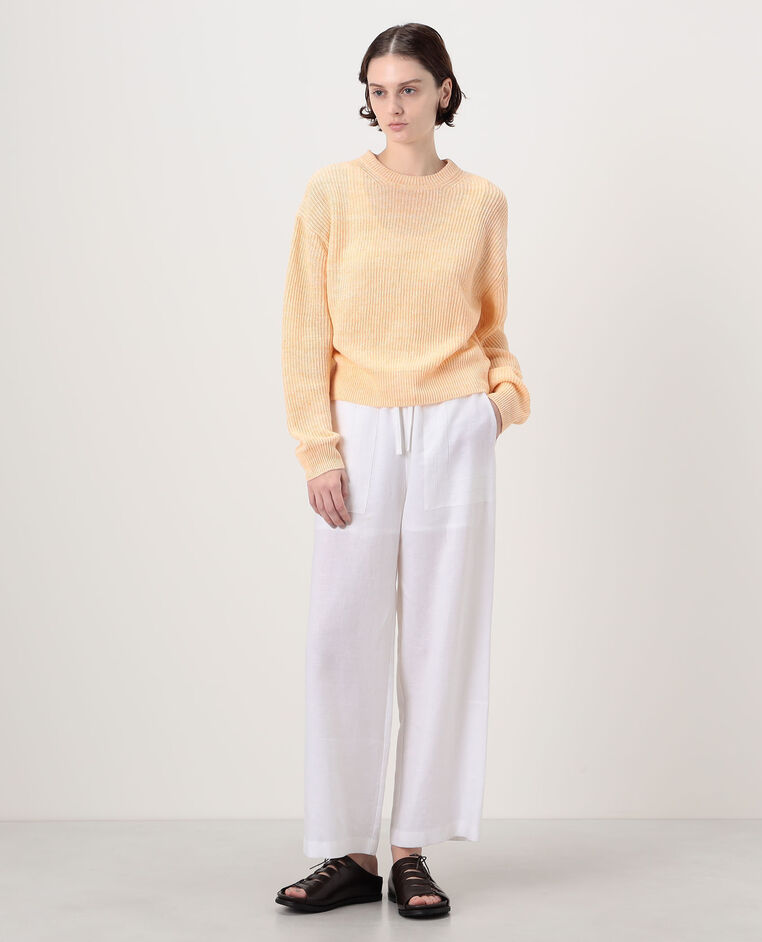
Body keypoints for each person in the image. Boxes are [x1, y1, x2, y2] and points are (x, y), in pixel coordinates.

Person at [275, 23, 530, 920]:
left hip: (454, 426)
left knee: (438, 640)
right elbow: (305, 329)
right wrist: (317, 446)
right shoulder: (332, 193)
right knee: (339, 638)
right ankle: (346, 852)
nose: (392, 107)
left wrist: (497, 404)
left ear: (443, 93)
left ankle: (410, 850)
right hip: (360, 426)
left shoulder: (481, 202)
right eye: (379, 91)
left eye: (410, 89)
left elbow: (491, 329)